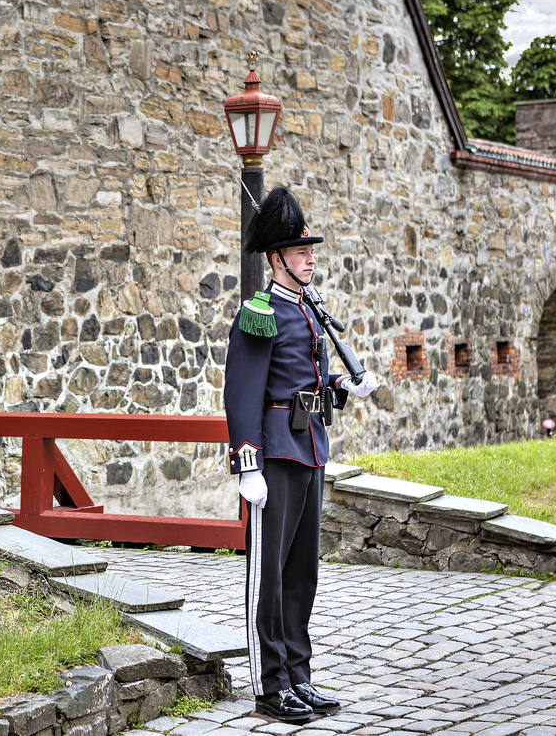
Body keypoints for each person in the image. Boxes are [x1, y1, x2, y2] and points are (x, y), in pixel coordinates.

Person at [224, 186, 379, 723]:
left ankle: (298, 675)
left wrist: (341, 384)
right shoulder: (259, 312)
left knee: (301, 574)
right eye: (300, 252)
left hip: (309, 445)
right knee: (268, 576)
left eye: (311, 251)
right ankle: (269, 686)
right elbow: (242, 393)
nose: (311, 258)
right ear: (277, 259)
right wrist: (247, 465)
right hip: (274, 456)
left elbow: (302, 381)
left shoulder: (309, 311)